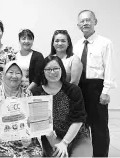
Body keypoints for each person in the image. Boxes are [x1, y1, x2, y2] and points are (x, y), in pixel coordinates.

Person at [74, 10, 116, 157]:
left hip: (97, 88)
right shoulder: (77, 45)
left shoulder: (105, 43)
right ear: (78, 25)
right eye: (82, 21)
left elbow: (109, 67)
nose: (85, 23)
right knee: (82, 125)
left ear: (95, 21)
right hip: (80, 88)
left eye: (88, 20)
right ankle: (84, 153)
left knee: (99, 126)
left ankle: (100, 155)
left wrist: (106, 91)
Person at [31, 55, 92, 157]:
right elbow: (39, 122)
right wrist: (55, 142)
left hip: (77, 135)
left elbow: (79, 119)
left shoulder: (73, 90)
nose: (52, 72)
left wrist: (65, 142)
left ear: (62, 70)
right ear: (43, 71)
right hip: (51, 136)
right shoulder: (36, 92)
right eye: (48, 69)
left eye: (56, 68)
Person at [0, 61, 43, 157]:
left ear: (21, 77)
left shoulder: (27, 94)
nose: (14, 76)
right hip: (2, 139)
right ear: (4, 75)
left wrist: (29, 135)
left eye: (18, 73)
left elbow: (33, 120)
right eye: (10, 72)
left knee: (36, 155)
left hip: (25, 139)